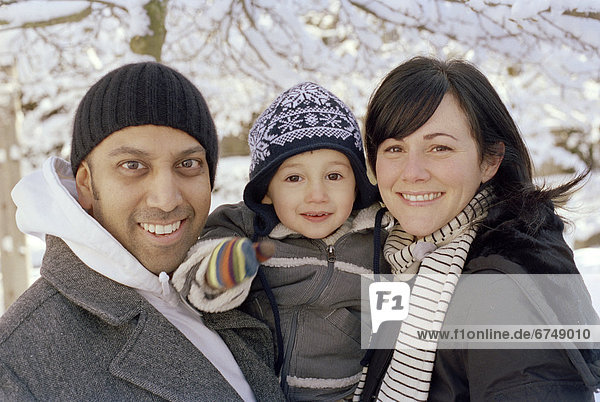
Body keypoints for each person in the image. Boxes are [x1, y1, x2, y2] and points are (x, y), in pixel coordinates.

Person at [0, 62, 283, 401]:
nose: (166, 199)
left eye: (188, 164)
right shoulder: (18, 365)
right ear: (86, 183)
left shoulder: (237, 277)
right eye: (132, 166)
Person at [354, 56, 600, 401]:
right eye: (394, 148)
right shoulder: (401, 258)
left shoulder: (500, 288)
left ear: (490, 160)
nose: (412, 172)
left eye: (439, 147)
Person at [172, 82, 390, 400]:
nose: (317, 195)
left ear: (357, 183)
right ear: (266, 190)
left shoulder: (378, 240)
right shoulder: (244, 228)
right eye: (294, 178)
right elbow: (193, 284)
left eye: (334, 176)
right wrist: (223, 267)